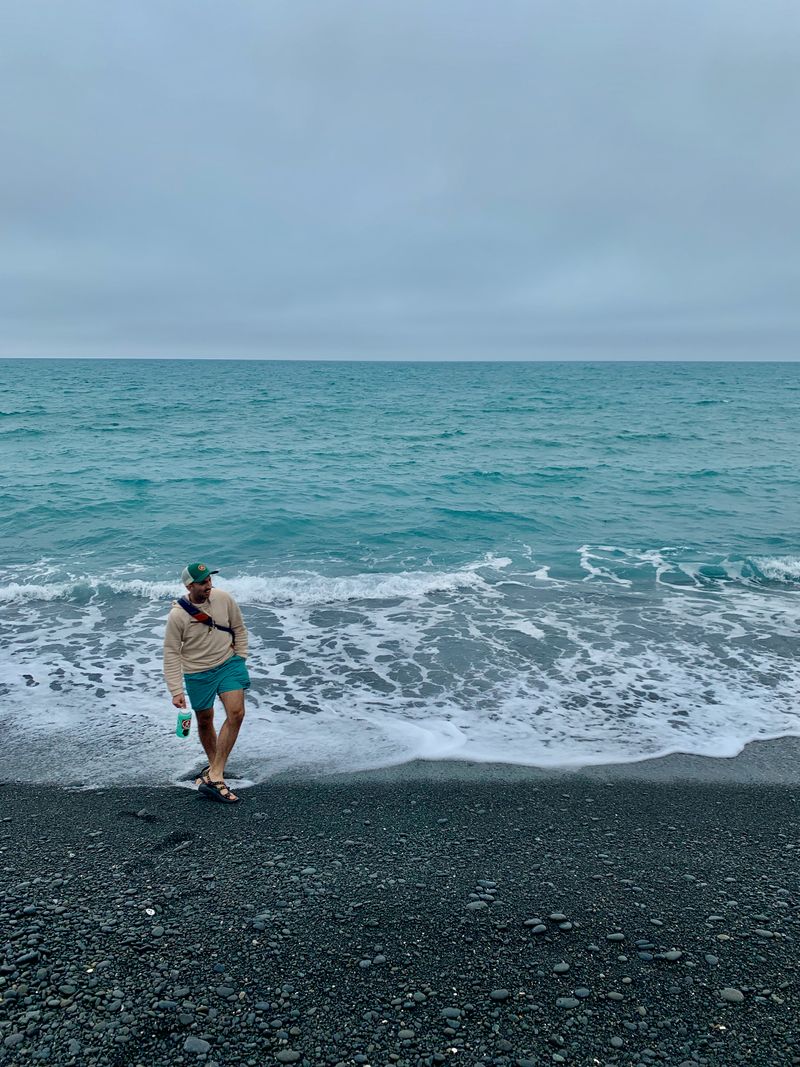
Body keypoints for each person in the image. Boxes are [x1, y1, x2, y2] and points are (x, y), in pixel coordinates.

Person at [163, 562, 250, 803]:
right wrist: (175, 689)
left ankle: (215, 774)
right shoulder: (178, 615)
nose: (208, 585)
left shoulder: (224, 598)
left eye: (210, 580)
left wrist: (240, 657)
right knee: (205, 720)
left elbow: (239, 628)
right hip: (197, 672)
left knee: (237, 713)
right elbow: (171, 652)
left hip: (228, 665)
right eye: (203, 582)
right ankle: (215, 770)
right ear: (190, 586)